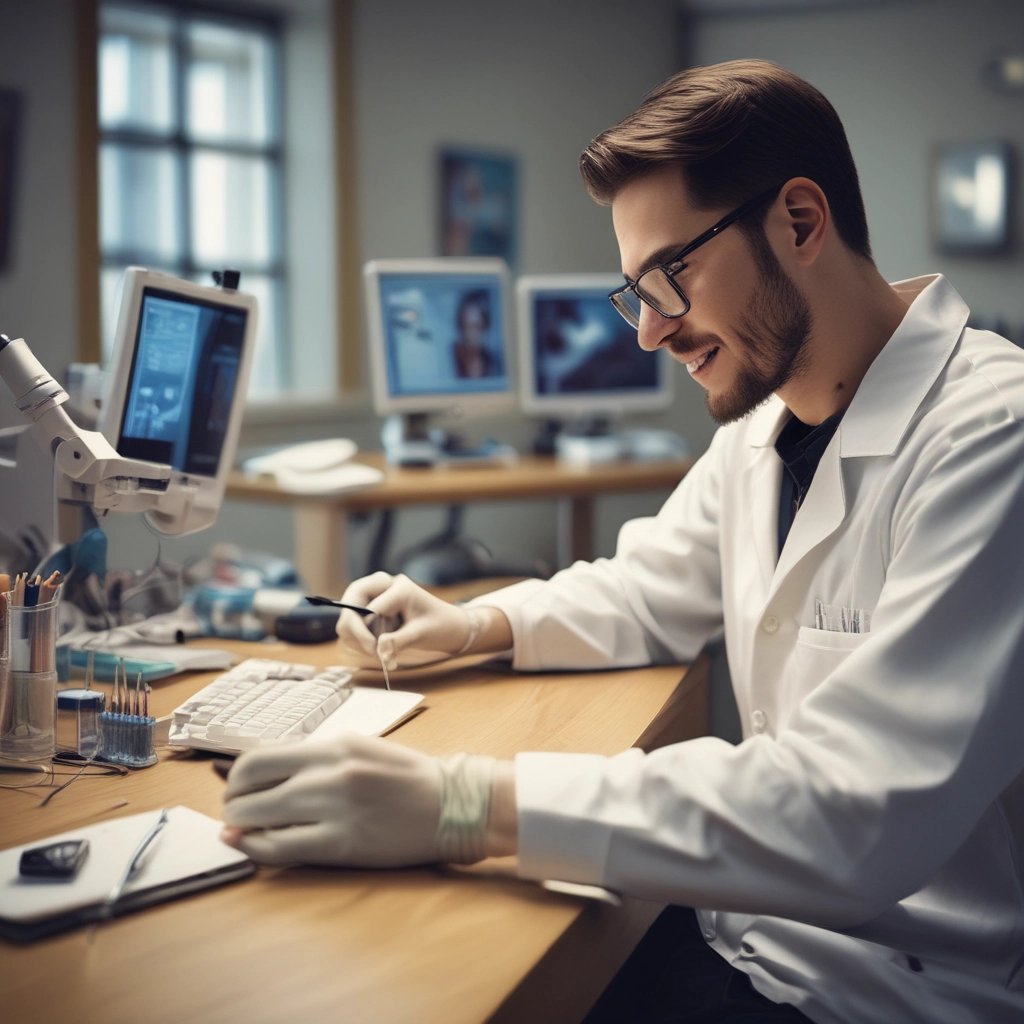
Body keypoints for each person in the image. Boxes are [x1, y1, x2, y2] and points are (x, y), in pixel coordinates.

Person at [220, 59, 1024, 1023]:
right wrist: (473, 624)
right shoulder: (761, 432)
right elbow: (644, 589)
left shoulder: (991, 438)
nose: (649, 331)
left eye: (669, 277)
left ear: (800, 222)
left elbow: (855, 812)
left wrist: (462, 805)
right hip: (748, 931)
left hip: (885, 992)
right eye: (634, 291)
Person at [451, 288, 499, 378]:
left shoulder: (492, 359)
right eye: (468, 326)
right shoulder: (452, 358)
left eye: (478, 326)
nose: (473, 333)